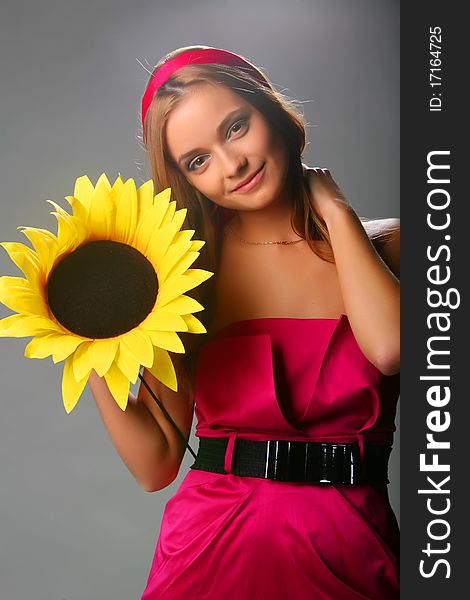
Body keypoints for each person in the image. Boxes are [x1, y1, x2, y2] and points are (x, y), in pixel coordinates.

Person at [89, 45, 400, 599]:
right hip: (207, 550)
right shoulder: (184, 279)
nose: (232, 165)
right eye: (198, 160)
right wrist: (85, 345)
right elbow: (156, 464)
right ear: (185, 179)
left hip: (348, 549)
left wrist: (336, 213)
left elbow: (391, 348)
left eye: (235, 127)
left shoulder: (388, 246)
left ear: (271, 110)